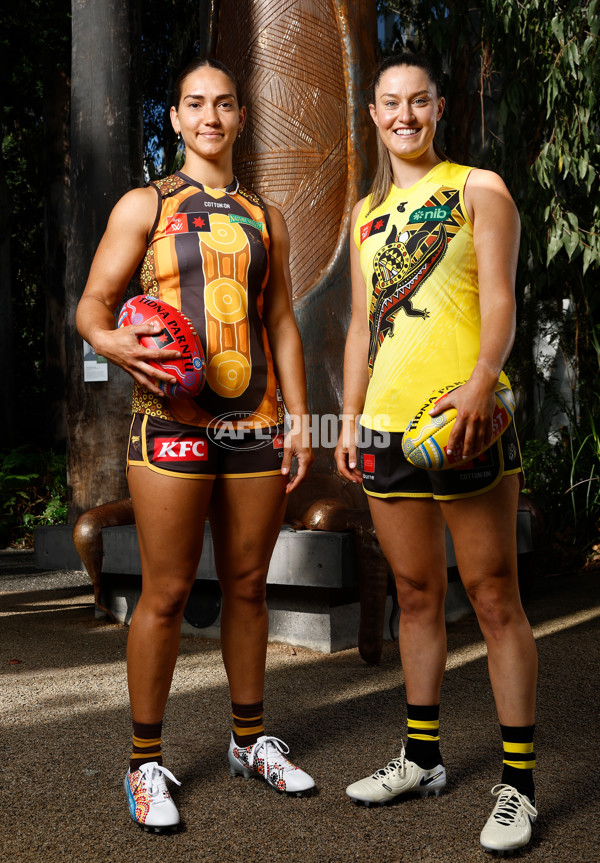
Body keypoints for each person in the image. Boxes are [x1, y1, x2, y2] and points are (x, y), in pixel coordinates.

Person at [76, 58, 315, 833]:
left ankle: (251, 742)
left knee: (249, 585)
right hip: (171, 422)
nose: (210, 116)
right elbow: (91, 307)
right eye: (194, 105)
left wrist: (301, 417)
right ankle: (144, 763)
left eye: (224, 104)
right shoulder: (144, 204)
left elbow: (280, 321)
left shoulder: (266, 215)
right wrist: (116, 346)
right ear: (175, 120)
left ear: (241, 116)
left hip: (254, 422)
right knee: (168, 593)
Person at [334, 53, 538, 855]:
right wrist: (348, 421)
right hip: (387, 428)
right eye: (391, 103)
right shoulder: (363, 217)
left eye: (419, 101)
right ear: (375, 115)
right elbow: (360, 328)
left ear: (438, 108)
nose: (405, 115)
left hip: (463, 421)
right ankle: (423, 759)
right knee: (415, 596)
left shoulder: (476, 187)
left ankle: (517, 785)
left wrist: (484, 383)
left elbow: (501, 299)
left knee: (493, 599)